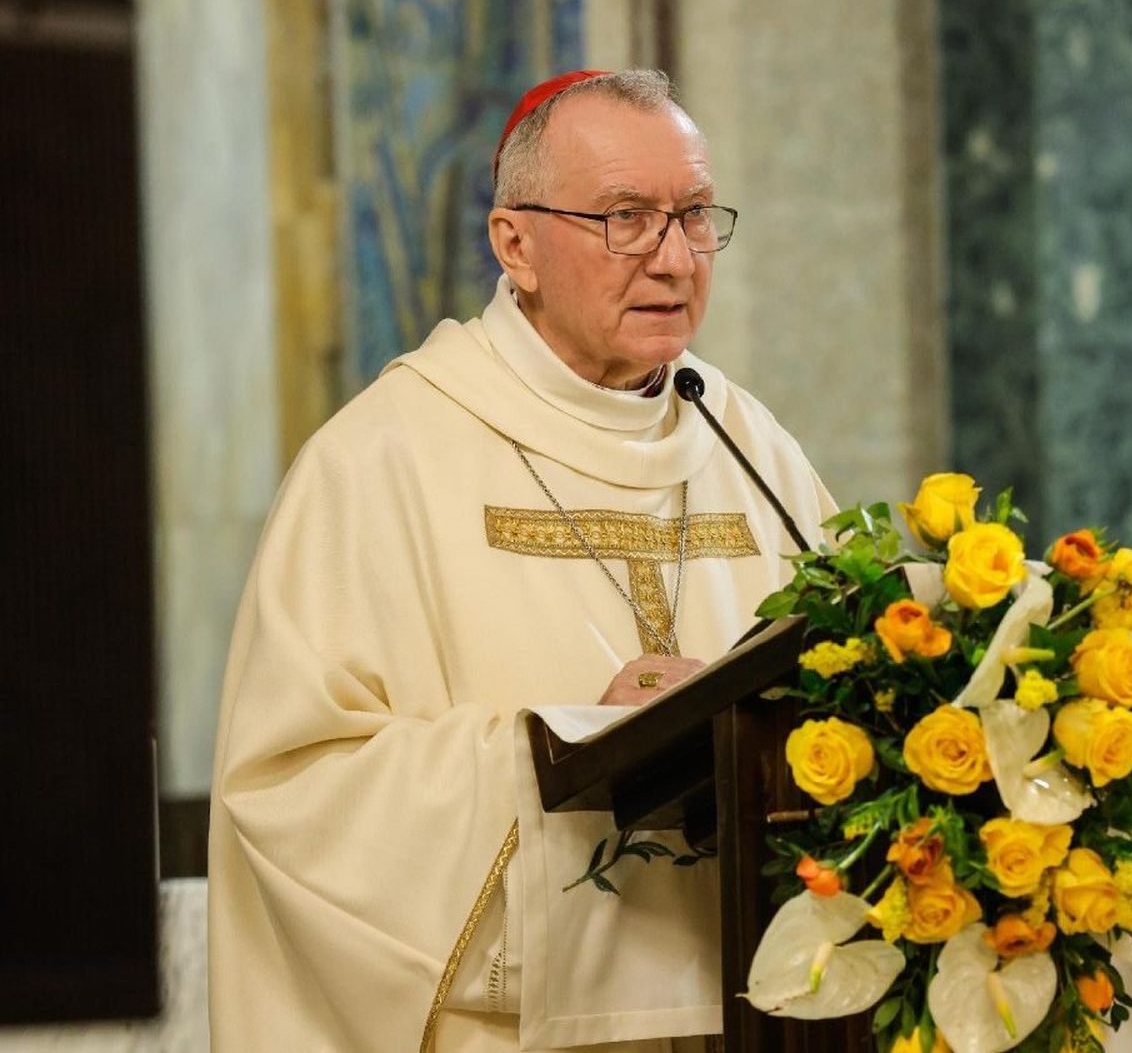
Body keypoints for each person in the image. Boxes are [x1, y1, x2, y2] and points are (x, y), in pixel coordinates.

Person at [208, 69, 835, 1052]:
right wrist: (562, 746)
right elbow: (290, 787)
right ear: (515, 244)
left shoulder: (751, 446)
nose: (675, 257)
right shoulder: (384, 458)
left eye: (694, 215)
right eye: (627, 218)